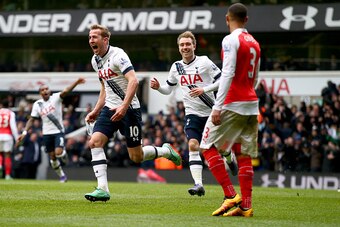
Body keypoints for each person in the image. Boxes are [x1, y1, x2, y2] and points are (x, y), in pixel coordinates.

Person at [84, 24, 181, 202]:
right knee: (95, 142)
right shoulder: (95, 60)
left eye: (95, 37)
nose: (91, 41)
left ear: (105, 39)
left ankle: (165, 151)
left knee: (136, 156)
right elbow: (104, 87)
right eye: (90, 37)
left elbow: (134, 81)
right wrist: (96, 110)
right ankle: (102, 189)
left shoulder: (118, 56)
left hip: (129, 110)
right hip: (109, 108)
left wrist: (123, 106)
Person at [150, 31, 237, 196]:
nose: (185, 47)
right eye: (182, 45)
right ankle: (198, 184)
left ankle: (229, 157)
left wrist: (204, 89)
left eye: (188, 44)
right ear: (178, 47)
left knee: (220, 147)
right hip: (192, 114)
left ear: (194, 46)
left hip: (212, 112)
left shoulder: (204, 62)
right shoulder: (176, 67)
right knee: (193, 145)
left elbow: (223, 80)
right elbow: (168, 89)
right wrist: (158, 87)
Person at [200, 3, 261, 217]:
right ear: (246, 19)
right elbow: (255, 77)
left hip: (231, 102)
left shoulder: (230, 39)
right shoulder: (254, 42)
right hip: (251, 103)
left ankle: (229, 195)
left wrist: (218, 107)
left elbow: (228, 73)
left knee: (206, 145)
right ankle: (246, 206)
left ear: (227, 18)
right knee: (242, 154)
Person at [16, 77, 86, 182]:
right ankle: (62, 176)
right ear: (40, 93)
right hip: (47, 133)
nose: (45, 91)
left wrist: (76, 82)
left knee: (58, 152)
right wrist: (24, 132)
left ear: (49, 91)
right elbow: (31, 120)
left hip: (58, 131)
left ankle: (63, 154)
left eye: (47, 89)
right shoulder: (37, 104)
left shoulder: (56, 97)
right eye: (43, 90)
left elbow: (66, 91)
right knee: (52, 157)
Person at [0, 99, 19, 179]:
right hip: (8, 136)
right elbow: (13, 127)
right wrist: (17, 138)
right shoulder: (11, 113)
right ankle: (7, 175)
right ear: (9, 105)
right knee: (7, 155)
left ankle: (0, 165)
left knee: (0, 154)